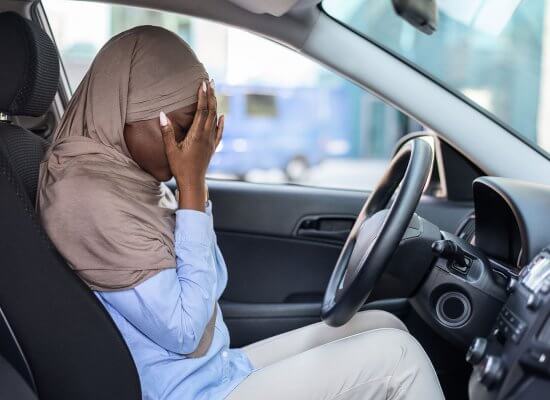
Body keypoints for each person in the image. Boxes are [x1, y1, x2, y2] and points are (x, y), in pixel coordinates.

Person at [37, 25, 444, 400]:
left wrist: (192, 190)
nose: (191, 145)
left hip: (212, 371)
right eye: (181, 128)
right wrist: (193, 188)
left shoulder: (129, 184)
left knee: (384, 326)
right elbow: (186, 330)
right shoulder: (85, 196)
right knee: (400, 358)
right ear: (123, 108)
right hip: (186, 392)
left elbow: (213, 283)